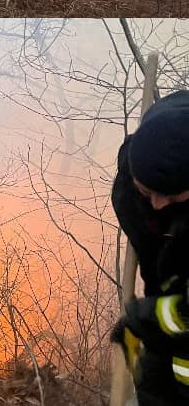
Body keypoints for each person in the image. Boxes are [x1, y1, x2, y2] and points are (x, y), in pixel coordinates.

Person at [111, 90, 189, 405]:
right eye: (148, 191)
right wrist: (149, 317)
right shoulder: (130, 190)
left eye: (170, 196)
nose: (157, 204)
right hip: (170, 287)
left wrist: (149, 316)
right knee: (154, 379)